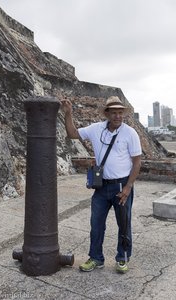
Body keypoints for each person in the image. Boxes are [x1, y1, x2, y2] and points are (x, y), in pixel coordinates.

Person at [60, 95, 142, 273]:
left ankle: (123, 258)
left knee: (124, 224)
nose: (117, 116)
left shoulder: (130, 133)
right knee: (96, 224)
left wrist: (128, 187)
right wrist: (68, 113)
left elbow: (137, 162)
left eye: (120, 112)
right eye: (114, 113)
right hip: (101, 186)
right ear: (107, 113)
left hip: (121, 186)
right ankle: (96, 258)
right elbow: (73, 134)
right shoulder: (96, 129)